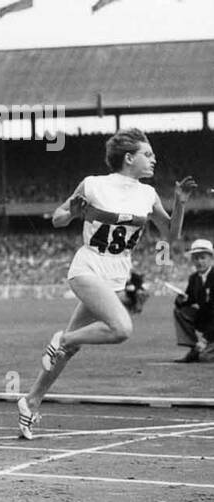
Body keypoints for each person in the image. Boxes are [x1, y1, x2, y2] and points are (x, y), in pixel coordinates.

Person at [17, 129, 193, 439]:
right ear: (129, 158)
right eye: (147, 155)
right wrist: (72, 213)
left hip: (115, 276)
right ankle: (65, 339)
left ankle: (30, 401)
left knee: (69, 351)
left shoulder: (147, 194)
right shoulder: (93, 184)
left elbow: (171, 235)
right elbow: (58, 217)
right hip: (87, 268)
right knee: (121, 329)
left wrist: (179, 204)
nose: (154, 160)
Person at [172, 238, 214, 363]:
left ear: (211, 258)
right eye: (196, 258)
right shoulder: (194, 278)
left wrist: (205, 339)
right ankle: (194, 347)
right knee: (180, 311)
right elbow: (189, 301)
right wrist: (180, 300)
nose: (199, 262)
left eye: (203, 258)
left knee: (205, 358)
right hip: (206, 320)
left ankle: (203, 348)